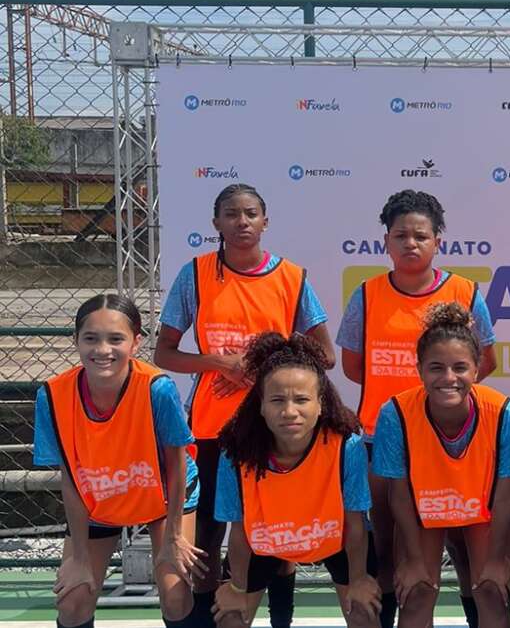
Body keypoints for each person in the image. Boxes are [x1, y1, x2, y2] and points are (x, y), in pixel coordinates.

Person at [154, 183, 333, 628]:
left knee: (273, 528)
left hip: (276, 426)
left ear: (265, 221)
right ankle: (206, 619)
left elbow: (325, 354)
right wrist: (217, 362)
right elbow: (164, 353)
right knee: (211, 536)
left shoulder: (292, 278)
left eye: (251, 214)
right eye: (231, 215)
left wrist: (269, 363)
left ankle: (280, 619)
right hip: (213, 427)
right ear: (216, 223)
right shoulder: (195, 274)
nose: (242, 222)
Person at [336, 189, 497, 628]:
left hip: (452, 446)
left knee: (467, 553)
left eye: (421, 235)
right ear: (385, 241)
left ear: (438, 241)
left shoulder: (465, 293)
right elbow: (355, 368)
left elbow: (487, 362)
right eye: (400, 235)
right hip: (379, 441)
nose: (411, 243)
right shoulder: (366, 296)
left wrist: (440, 406)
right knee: (388, 551)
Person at [35, 294, 205, 628]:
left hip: (162, 497)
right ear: (76, 341)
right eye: (91, 338)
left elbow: (176, 464)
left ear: (136, 342)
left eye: (116, 339)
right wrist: (80, 558)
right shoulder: (53, 395)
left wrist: (173, 538)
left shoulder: (157, 388)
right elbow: (69, 476)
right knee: (73, 601)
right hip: (100, 499)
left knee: (175, 593)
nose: (103, 350)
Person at [372, 303, 510, 628]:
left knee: (491, 592)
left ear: (477, 369)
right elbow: (399, 495)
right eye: (436, 368)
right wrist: (413, 560)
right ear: (419, 369)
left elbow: (505, 496)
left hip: (482, 513)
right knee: (416, 592)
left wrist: (498, 560)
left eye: (459, 367)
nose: (448, 378)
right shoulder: (395, 413)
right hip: (423, 515)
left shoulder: (504, 413)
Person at [211, 333, 380, 628]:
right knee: (230, 618)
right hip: (263, 544)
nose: (289, 411)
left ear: (320, 404)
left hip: (334, 543)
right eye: (277, 400)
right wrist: (236, 588)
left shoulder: (346, 446)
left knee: (364, 613)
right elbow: (237, 531)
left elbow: (355, 522)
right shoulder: (237, 453)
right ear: (261, 405)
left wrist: (359, 579)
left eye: (302, 399)